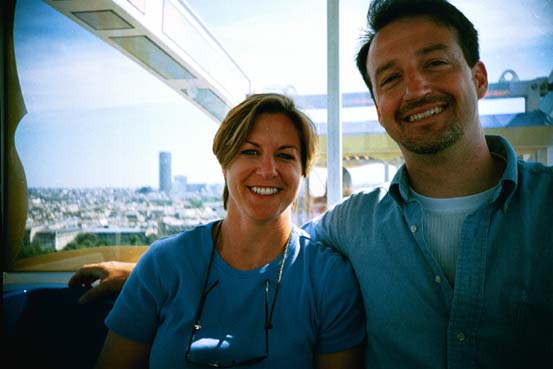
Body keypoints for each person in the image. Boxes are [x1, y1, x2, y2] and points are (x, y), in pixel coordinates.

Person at [71, 1, 553, 368]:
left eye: (435, 63)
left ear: (479, 77)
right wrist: (146, 272)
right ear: (379, 106)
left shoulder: (545, 207)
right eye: (390, 78)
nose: (416, 89)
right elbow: (254, 251)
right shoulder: (352, 225)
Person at [80, 93, 366, 369]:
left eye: (285, 156)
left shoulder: (329, 279)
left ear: (302, 170)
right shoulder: (163, 264)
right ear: (224, 164)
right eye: (250, 152)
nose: (267, 170)